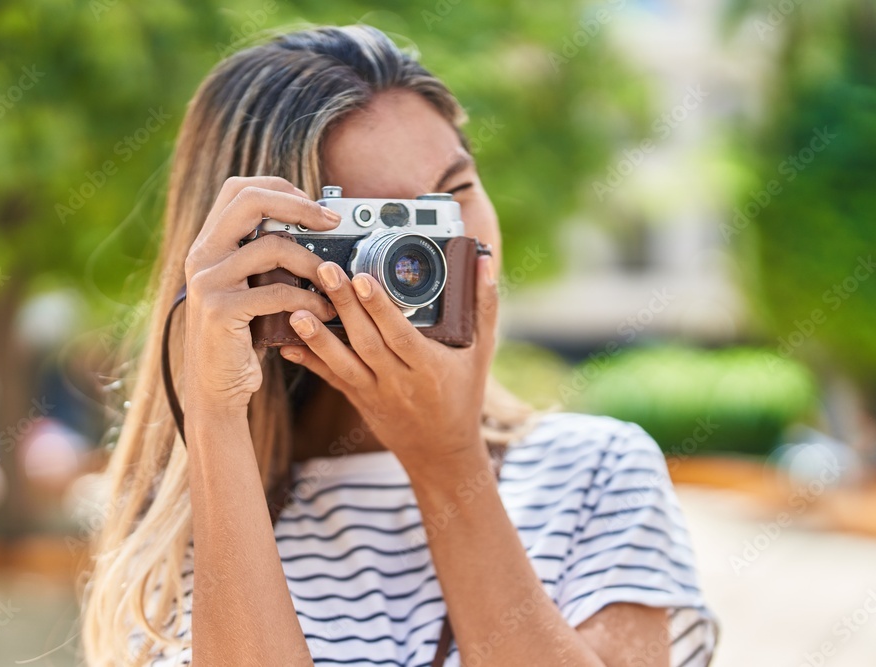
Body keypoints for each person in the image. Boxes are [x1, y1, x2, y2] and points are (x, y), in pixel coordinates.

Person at [80, 24, 718, 667]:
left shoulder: (598, 473)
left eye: (455, 194)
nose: (436, 252)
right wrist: (215, 417)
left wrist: (449, 461)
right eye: (375, 222)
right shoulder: (197, 519)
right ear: (265, 258)